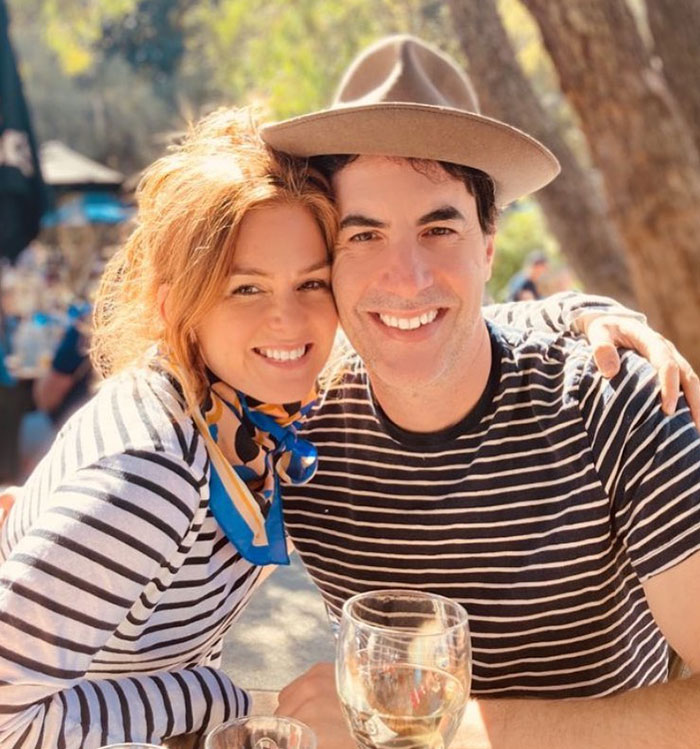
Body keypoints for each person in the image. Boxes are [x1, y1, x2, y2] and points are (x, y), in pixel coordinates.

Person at [259, 36, 700, 747]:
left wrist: (444, 731)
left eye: (439, 228)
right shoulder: (295, 432)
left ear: (489, 246)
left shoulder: (617, 401)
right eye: (364, 235)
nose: (405, 276)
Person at [0, 107, 339, 748]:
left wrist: (579, 317)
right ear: (173, 304)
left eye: (312, 282)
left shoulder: (244, 413)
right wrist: (210, 697)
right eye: (246, 289)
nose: (290, 321)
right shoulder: (151, 477)